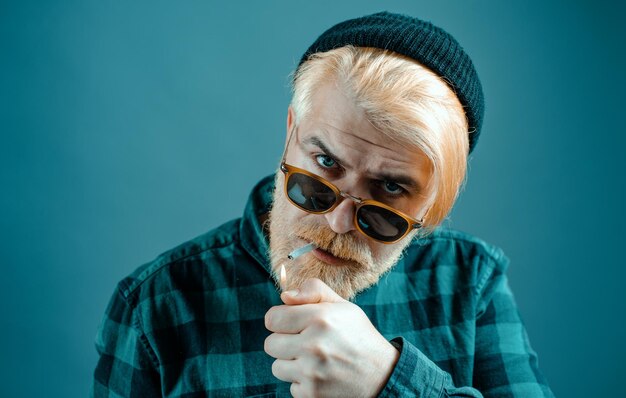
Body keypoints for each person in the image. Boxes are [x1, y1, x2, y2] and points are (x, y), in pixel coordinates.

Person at [92, 11, 554, 397]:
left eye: (389, 191)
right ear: (290, 133)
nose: (337, 222)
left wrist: (387, 381)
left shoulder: (470, 281)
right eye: (324, 163)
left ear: (433, 207)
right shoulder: (155, 307)